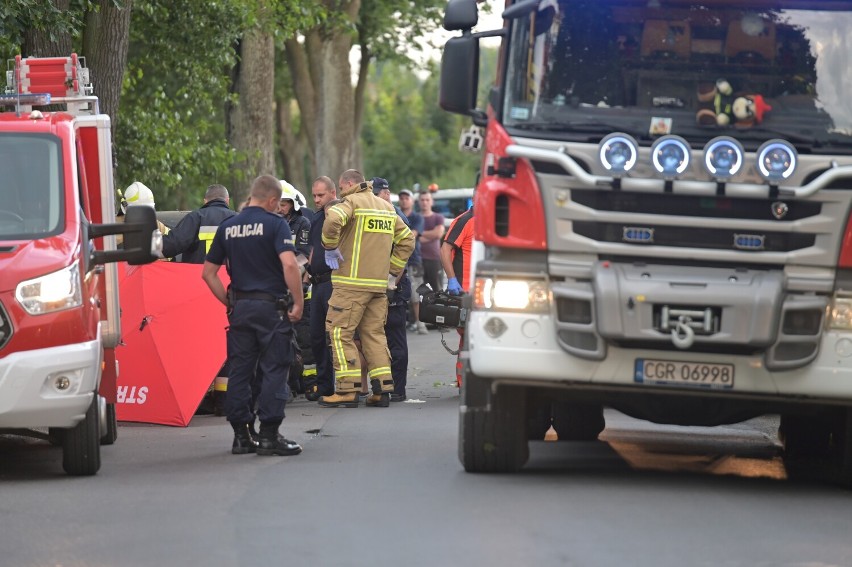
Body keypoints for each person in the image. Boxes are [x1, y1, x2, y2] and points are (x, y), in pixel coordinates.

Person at [201, 174, 304, 457]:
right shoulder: (275, 224)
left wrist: (229, 301)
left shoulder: (228, 226)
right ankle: (270, 435)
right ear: (272, 200)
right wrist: (298, 303)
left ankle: (241, 436)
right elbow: (290, 265)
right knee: (274, 368)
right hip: (271, 309)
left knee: (240, 371)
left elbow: (208, 274)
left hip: (240, 310)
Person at [319, 170, 414, 408]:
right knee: (374, 335)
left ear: (350, 184)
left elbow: (332, 219)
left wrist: (330, 247)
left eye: (341, 188)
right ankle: (382, 390)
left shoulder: (351, 202)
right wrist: (392, 270)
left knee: (340, 333)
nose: (341, 192)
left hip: (350, 285)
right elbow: (407, 240)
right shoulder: (386, 207)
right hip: (377, 286)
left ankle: (347, 390)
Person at [373, 177, 412, 402]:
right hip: (385, 282)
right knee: (383, 338)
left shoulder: (395, 216)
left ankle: (398, 388)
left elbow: (403, 253)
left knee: (395, 338)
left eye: (377, 194)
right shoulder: (388, 214)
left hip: (394, 285)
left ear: (386, 194)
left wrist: (391, 284)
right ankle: (389, 385)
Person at [305, 176, 339, 401]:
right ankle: (325, 384)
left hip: (334, 281)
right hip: (316, 284)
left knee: (336, 337)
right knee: (316, 336)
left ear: (333, 193)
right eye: (314, 195)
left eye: (321, 195)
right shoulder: (316, 219)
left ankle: (344, 386)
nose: (316, 200)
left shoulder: (341, 215)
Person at [441, 205, 474, 387]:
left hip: (490, 291)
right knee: (468, 338)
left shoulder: (497, 219)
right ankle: (465, 384)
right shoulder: (465, 220)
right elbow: (445, 250)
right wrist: (452, 280)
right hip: (466, 291)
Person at [161, 184, 235, 263]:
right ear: (227, 201)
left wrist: (150, 246)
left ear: (205, 201)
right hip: (231, 275)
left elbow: (171, 245)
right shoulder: (239, 219)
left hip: (200, 274)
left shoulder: (195, 218)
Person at [397, 188, 428, 335]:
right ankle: (407, 322)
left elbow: (412, 235)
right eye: (401, 198)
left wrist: (398, 237)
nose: (404, 200)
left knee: (416, 294)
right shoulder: (396, 214)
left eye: (406, 198)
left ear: (412, 201)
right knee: (399, 293)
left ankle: (420, 323)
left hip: (413, 260)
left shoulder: (417, 218)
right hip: (397, 260)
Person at [417, 191, 445, 296]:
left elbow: (438, 234)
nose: (425, 202)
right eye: (422, 200)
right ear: (418, 202)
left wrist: (418, 233)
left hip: (434, 259)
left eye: (427, 200)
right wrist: (430, 235)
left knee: (437, 290)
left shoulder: (438, 217)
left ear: (432, 202)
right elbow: (410, 236)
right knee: (418, 292)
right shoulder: (415, 218)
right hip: (417, 260)